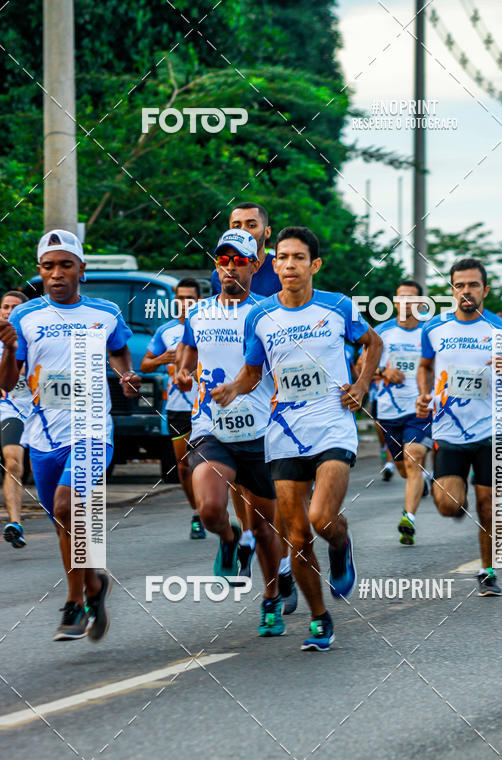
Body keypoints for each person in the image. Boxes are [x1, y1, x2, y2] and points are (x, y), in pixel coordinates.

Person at [212, 226, 383, 650]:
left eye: (299, 258)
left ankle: (340, 543)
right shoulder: (259, 316)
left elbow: (373, 343)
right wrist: (232, 389)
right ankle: (320, 618)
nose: (290, 265)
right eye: (283, 257)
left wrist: (362, 385)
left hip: (332, 424)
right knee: (298, 536)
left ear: (314, 265)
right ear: (274, 265)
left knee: (322, 519)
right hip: (284, 434)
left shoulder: (338, 306)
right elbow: (252, 373)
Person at [0, 229, 140, 641]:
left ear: (82, 269)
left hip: (93, 431)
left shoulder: (105, 313)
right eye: (48, 267)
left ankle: (75, 602)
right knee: (64, 523)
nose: (56, 274)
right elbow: (7, 383)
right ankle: (94, 585)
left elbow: (119, 349)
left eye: (65, 265)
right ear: (39, 271)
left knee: (66, 506)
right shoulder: (25, 317)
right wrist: (7, 349)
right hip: (44, 437)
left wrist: (126, 374)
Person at [177, 229, 286, 634]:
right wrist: (183, 371)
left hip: (260, 433)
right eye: (223, 260)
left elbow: (277, 366)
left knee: (264, 527)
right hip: (211, 429)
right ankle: (227, 538)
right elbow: (189, 349)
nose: (230, 267)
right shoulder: (199, 313)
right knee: (209, 509)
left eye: (239, 260)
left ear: (255, 265)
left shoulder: (268, 314)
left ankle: (271, 599)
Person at [417, 258, 502, 597]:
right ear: (452, 289)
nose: (466, 291)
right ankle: (458, 498)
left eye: (473, 285)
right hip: (448, 430)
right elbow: (425, 366)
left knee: (489, 505)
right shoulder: (434, 328)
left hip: (492, 430)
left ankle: (488, 570)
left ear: (486, 289)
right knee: (448, 505)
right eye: (460, 285)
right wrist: (424, 394)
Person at [141, 278, 206, 539]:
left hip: (207, 405)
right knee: (184, 467)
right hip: (178, 407)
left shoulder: (209, 325)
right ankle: (197, 513)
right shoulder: (165, 331)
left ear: (199, 301)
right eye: (180, 298)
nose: (184, 303)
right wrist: (160, 359)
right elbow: (145, 365)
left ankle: (218, 510)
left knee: (211, 463)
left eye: (190, 298)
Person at [369, 280, 432, 545]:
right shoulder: (381, 331)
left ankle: (409, 518)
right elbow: (361, 366)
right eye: (401, 297)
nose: (405, 302)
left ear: (420, 303)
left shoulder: (429, 332)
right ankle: (421, 482)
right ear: (395, 302)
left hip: (420, 407)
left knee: (413, 457)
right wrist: (384, 371)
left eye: (411, 298)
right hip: (388, 410)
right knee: (404, 469)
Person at [0, 290, 31, 547]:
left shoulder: (37, 337)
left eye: (15, 308)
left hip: (43, 412)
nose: (10, 312)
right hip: (10, 409)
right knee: (12, 460)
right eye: (6, 307)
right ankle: (15, 523)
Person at [210, 203, 281, 297]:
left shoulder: (282, 270)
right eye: (236, 226)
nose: (242, 231)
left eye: (251, 225)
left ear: (267, 232)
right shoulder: (219, 275)